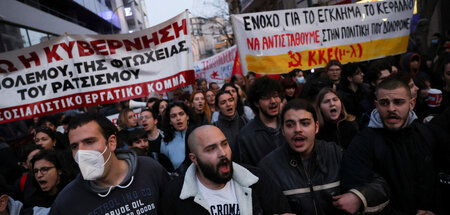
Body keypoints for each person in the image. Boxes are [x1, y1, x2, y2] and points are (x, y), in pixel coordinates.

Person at [339, 76, 450, 214]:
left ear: (412, 104)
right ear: (376, 105)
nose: (391, 108)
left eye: (398, 102)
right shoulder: (362, 144)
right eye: (384, 103)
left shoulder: (427, 135)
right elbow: (357, 195)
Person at [49, 113, 169, 215]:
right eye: (75, 146)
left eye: (89, 141)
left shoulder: (149, 169)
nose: (81, 152)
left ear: (111, 142)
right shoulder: (67, 202)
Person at [160, 125, 292, 214]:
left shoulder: (256, 180)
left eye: (224, 144)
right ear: (194, 159)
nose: (222, 153)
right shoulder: (175, 194)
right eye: (211, 149)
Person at [259, 99, 344, 214]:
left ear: (316, 127)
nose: (297, 130)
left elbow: (371, 182)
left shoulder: (336, 154)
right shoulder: (269, 167)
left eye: (305, 123)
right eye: (290, 125)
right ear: (283, 130)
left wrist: (357, 196)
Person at [237, 76, 284, 166]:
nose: (273, 101)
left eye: (275, 96)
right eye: (266, 97)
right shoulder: (246, 135)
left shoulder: (289, 124)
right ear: (256, 103)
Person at [212, 91, 249, 162]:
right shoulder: (214, 128)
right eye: (223, 102)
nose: (228, 104)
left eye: (231, 100)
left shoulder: (245, 121)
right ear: (217, 108)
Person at [161, 102, 195, 173]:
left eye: (181, 114)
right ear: (170, 121)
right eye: (173, 116)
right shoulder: (165, 142)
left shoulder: (198, 134)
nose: (178, 118)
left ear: (187, 116)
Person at [139, 108, 174, 172]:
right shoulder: (141, 143)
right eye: (141, 118)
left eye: (147, 117)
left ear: (155, 121)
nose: (143, 120)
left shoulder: (166, 136)